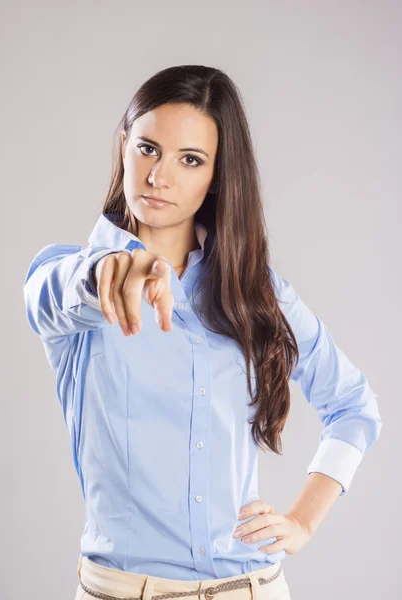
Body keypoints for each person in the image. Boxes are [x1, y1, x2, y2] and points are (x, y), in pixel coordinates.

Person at [23, 65, 382, 600]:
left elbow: (354, 407)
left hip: (250, 587)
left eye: (189, 159)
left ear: (217, 174)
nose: (158, 176)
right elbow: (54, 295)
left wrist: (303, 522)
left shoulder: (257, 293)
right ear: (123, 145)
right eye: (147, 148)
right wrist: (116, 271)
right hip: (122, 590)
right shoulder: (73, 280)